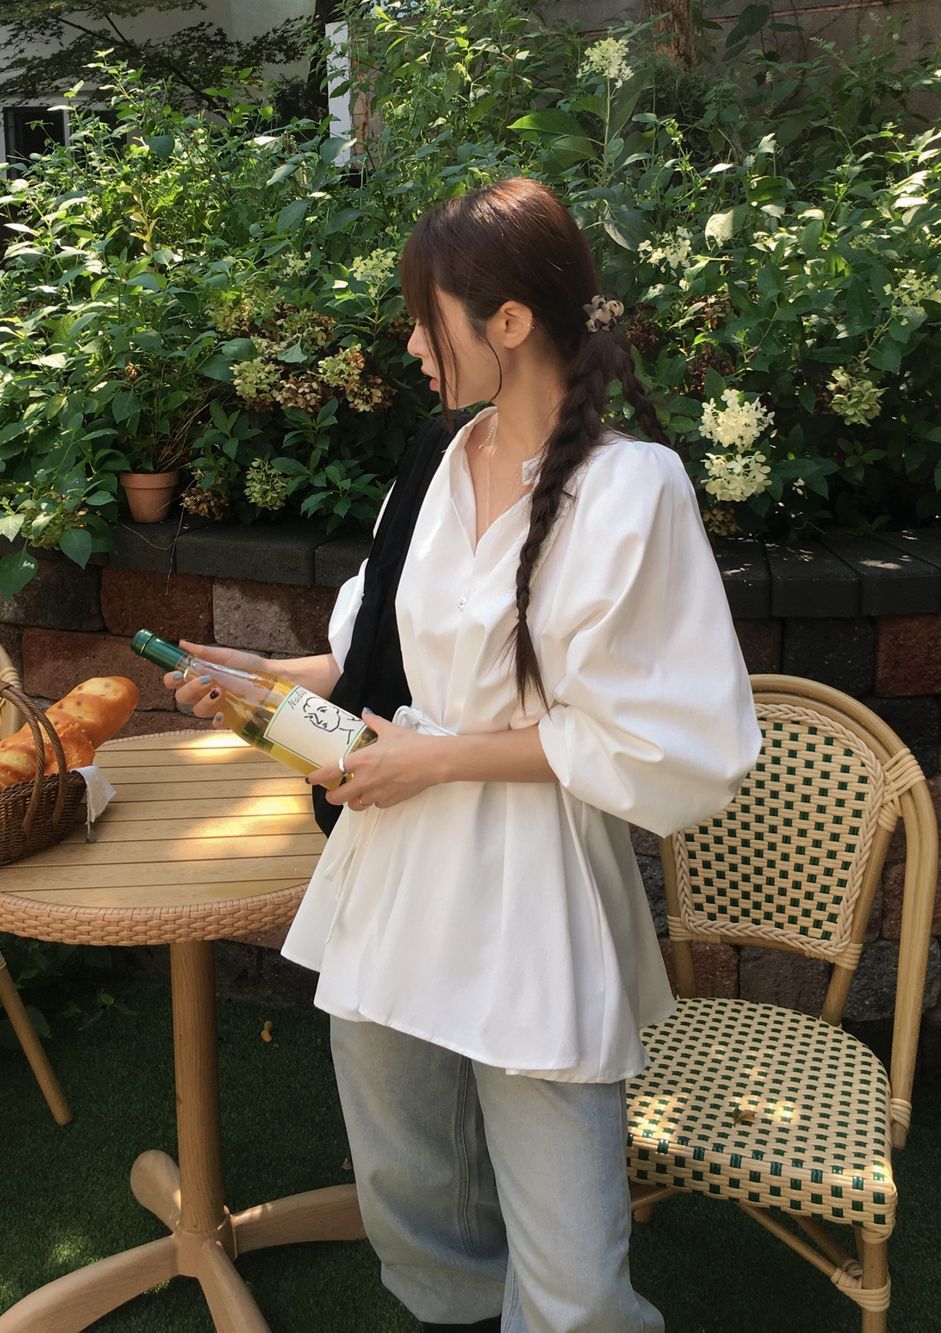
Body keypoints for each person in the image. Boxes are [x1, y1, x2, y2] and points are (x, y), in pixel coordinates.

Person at [166, 177, 761, 1333]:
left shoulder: (632, 490)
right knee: (412, 1193)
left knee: (575, 1278)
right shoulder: (435, 458)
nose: (409, 345)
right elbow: (376, 666)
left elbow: (669, 736)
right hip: (395, 877)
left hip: (532, 894)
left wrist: (435, 762)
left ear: (511, 321)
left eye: (424, 319)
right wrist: (260, 681)